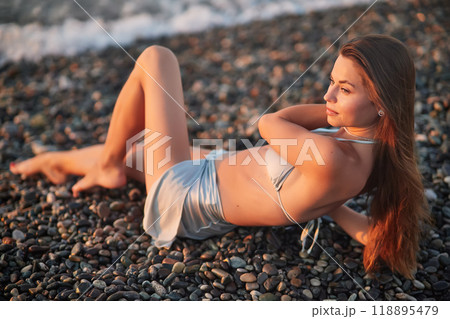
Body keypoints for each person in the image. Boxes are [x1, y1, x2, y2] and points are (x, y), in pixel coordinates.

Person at [9, 35, 432, 280]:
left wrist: (326, 117)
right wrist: (333, 210)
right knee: (136, 152)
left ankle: (103, 167)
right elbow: (352, 216)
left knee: (156, 59)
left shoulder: (327, 151)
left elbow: (269, 121)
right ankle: (62, 162)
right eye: (331, 82)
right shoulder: (375, 158)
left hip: (188, 196)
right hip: (218, 169)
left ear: (381, 103)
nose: (327, 96)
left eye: (344, 89)